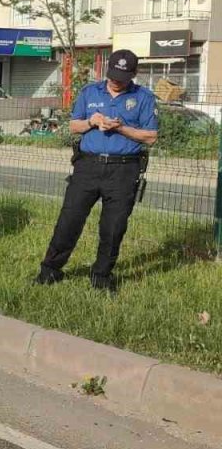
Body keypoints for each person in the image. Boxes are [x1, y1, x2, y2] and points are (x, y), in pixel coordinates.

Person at [36, 50, 158, 293]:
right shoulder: (90, 92)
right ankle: (50, 271)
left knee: (113, 228)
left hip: (123, 170)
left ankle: (101, 276)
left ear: (133, 74)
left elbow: (151, 136)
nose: (116, 80)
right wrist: (92, 122)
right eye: (113, 74)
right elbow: (73, 125)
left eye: (122, 76)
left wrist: (122, 128)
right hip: (87, 167)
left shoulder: (144, 97)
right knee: (69, 221)